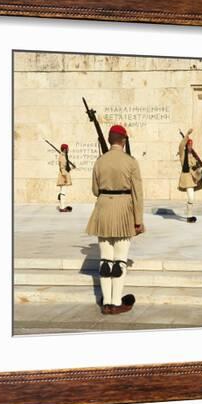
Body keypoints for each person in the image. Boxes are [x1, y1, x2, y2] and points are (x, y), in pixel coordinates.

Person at [86, 125, 145, 314]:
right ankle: (116, 302)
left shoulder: (99, 161)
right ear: (124, 140)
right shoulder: (131, 162)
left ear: (110, 140)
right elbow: (138, 194)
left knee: (105, 260)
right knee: (120, 260)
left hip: (103, 209)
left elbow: (95, 190)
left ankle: (106, 303)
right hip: (123, 209)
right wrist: (138, 219)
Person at [177, 129, 202, 223]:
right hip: (187, 178)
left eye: (191, 145)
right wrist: (187, 135)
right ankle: (189, 216)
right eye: (189, 145)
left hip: (194, 176)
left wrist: (201, 166)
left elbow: (197, 164)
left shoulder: (193, 156)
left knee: (201, 169)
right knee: (191, 198)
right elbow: (181, 146)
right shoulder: (182, 154)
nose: (190, 147)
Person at [56, 144, 73, 212]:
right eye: (68, 148)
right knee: (63, 192)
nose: (68, 149)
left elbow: (65, 168)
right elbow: (62, 168)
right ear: (65, 149)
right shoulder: (62, 157)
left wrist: (71, 168)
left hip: (64, 175)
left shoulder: (63, 156)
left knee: (62, 192)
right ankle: (62, 207)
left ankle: (62, 206)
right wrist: (65, 177)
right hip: (63, 176)